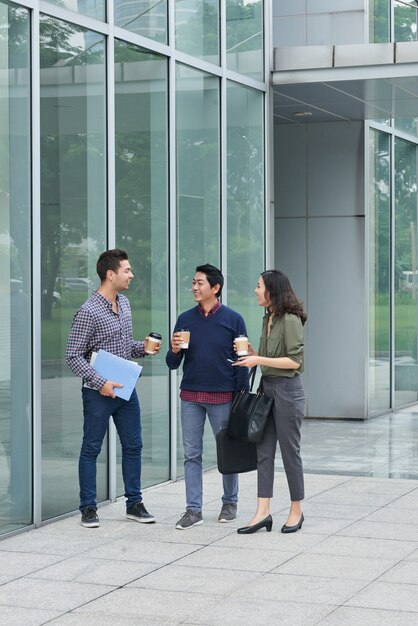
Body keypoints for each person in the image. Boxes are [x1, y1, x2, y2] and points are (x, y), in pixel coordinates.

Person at [66, 249, 159, 528]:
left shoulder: (125, 304)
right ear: (111, 274)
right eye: (127, 270)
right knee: (91, 448)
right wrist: (100, 383)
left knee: (134, 445)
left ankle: (134, 503)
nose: (131, 275)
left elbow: (122, 347)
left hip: (126, 389)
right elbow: (73, 356)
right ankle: (88, 508)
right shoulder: (88, 311)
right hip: (98, 393)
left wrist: (141, 348)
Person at [166, 264, 249, 530]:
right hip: (190, 396)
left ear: (215, 288)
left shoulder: (233, 320)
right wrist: (174, 350)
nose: (194, 287)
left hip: (223, 397)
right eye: (193, 282)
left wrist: (241, 395)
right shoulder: (185, 319)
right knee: (192, 455)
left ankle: (229, 502)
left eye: (200, 283)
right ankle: (193, 510)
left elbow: (242, 359)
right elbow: (172, 363)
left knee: (227, 451)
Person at [233, 270, 307, 535]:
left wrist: (259, 360)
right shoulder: (269, 318)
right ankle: (262, 512)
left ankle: (296, 510)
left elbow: (295, 362)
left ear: (272, 290)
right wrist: (252, 353)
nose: (255, 290)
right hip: (267, 389)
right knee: (263, 452)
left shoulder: (290, 319)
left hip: (288, 391)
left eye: (258, 286)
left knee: (290, 452)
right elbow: (268, 357)